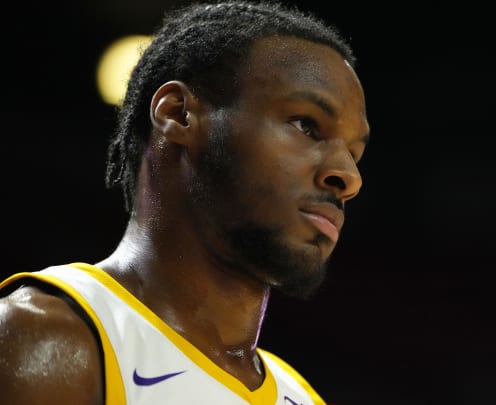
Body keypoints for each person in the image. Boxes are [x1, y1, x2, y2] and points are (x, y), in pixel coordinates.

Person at [0, 0, 369, 403]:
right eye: (306, 126)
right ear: (178, 114)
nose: (349, 177)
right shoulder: (49, 338)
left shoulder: (302, 396)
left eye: (354, 153)